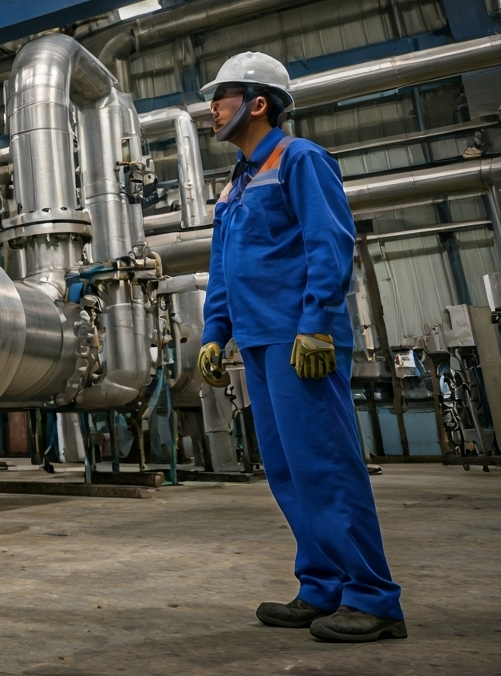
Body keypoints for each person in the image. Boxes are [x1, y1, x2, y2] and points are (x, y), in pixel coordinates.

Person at [196, 52, 406, 643]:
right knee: (288, 472)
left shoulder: (301, 160)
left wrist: (315, 324)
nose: (212, 107)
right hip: (259, 345)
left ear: (258, 103)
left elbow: (329, 244)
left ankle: (374, 598)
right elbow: (223, 270)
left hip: (301, 343)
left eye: (224, 95)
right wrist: (215, 334)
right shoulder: (235, 185)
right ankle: (322, 587)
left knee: (327, 468)